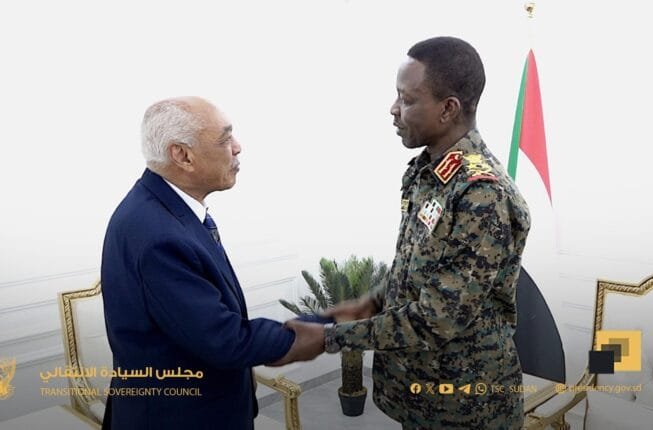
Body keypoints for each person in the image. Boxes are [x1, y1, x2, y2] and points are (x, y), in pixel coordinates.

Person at [318, 37, 531, 429]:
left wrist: (331, 337)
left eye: (407, 99)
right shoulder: (428, 173)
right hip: (418, 392)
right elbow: (413, 268)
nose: (393, 109)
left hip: (465, 407)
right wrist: (368, 303)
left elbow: (437, 319)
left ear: (448, 108)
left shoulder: (481, 194)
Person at [100, 97, 323, 429]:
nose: (237, 147)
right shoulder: (158, 235)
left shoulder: (163, 209)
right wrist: (321, 329)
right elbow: (226, 339)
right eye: (224, 139)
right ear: (183, 155)